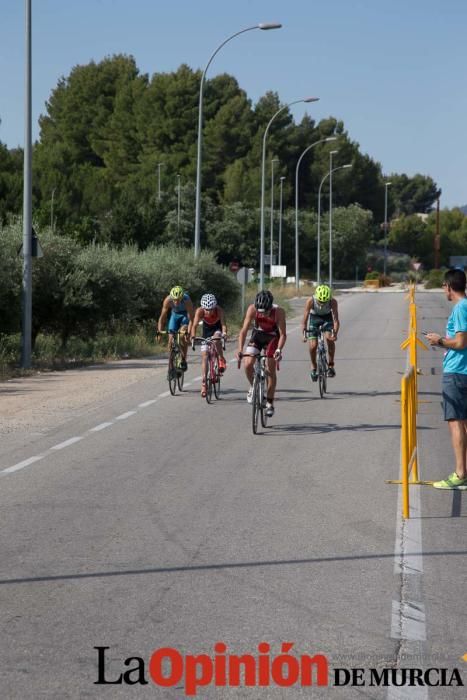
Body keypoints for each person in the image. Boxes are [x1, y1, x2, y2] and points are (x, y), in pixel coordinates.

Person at [426, 268, 467, 490]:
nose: (443, 289)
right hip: (463, 371)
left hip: (457, 372)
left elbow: (461, 342)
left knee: (456, 423)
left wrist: (439, 340)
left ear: (450, 287)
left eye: (444, 286)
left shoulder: (461, 308)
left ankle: (460, 474)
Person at [236, 290, 287, 418]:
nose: (263, 314)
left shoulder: (279, 312)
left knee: (270, 370)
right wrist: (239, 349)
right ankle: (253, 387)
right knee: (247, 364)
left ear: (271, 307)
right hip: (258, 336)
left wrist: (279, 350)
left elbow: (283, 335)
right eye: (261, 312)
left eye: (266, 312)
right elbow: (243, 331)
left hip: (273, 338)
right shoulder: (252, 309)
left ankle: (269, 403)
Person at [191, 293, 227, 398]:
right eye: (206, 309)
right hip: (206, 332)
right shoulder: (199, 311)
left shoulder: (219, 311)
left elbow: (224, 324)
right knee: (205, 355)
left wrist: (224, 334)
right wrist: (193, 337)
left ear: (214, 307)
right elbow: (194, 326)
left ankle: (221, 359)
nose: (208, 311)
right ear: (203, 307)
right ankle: (204, 383)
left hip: (217, 329)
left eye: (211, 309)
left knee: (216, 339)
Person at [301, 284, 340, 381]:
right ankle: (314, 366)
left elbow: (336, 321)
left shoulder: (333, 302)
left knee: (329, 339)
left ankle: (331, 366)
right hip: (314, 318)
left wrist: (335, 334)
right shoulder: (310, 301)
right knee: (313, 345)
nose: (322, 304)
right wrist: (303, 335)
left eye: (324, 301)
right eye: (320, 301)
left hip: (327, 318)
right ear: (316, 297)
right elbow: (304, 320)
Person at [157, 286, 194, 371]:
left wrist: (189, 332)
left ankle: (183, 360)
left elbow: (192, 319)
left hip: (185, 316)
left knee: (182, 335)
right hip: (174, 316)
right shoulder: (168, 300)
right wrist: (159, 332)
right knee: (170, 339)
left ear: (182, 297)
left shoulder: (186, 300)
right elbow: (162, 318)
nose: (176, 301)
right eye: (174, 299)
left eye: (178, 299)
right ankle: (170, 366)